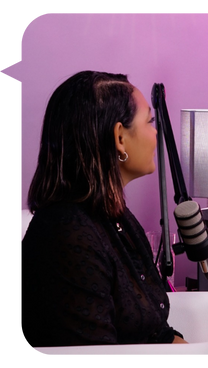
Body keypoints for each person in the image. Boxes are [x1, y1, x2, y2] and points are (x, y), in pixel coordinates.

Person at [20, 71, 187, 347]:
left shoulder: (116, 218)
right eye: (149, 121)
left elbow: (158, 335)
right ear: (120, 138)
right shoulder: (69, 236)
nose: (156, 132)